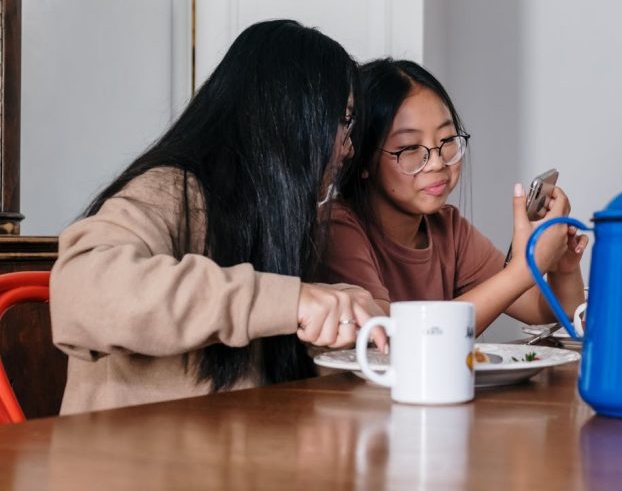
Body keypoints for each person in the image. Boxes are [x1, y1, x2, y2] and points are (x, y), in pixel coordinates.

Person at [50, 20, 386, 414]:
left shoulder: (269, 215)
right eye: (344, 121)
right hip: (130, 466)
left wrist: (332, 319)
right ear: (289, 116)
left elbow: (246, 371)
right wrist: (288, 300)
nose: (347, 149)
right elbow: (84, 293)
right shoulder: (170, 189)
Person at [318, 58, 586, 334]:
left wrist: (563, 267)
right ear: (361, 158)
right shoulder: (338, 228)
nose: (437, 162)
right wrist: (523, 270)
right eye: (410, 148)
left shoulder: (449, 228)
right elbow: (390, 336)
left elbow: (549, 311)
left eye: (447, 140)